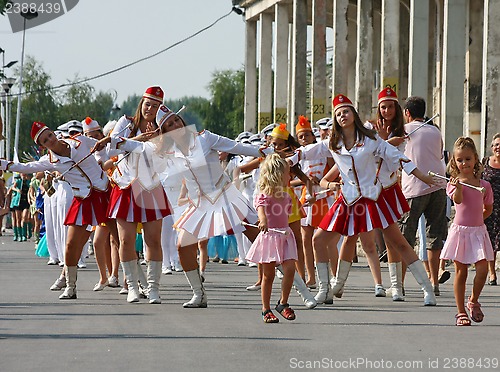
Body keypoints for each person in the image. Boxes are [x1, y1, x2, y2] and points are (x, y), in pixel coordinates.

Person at [95, 104, 275, 308]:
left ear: (182, 122)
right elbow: (133, 146)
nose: (174, 125)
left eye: (176, 121)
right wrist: (109, 139)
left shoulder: (204, 137)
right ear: (164, 132)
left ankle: (297, 285)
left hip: (224, 197)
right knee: (183, 246)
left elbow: (236, 146)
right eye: (168, 125)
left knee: (263, 239)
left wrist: (268, 150)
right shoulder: (164, 150)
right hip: (199, 205)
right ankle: (199, 294)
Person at [288, 94, 437, 306]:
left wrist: (423, 176)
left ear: (354, 114)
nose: (342, 116)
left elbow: (398, 157)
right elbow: (305, 152)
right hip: (347, 200)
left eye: (346, 111)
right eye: (338, 114)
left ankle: (427, 289)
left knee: (399, 243)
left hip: (372, 198)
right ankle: (325, 290)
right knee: (318, 240)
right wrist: (289, 159)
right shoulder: (333, 143)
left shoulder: (371, 139)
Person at [0, 121, 111, 299]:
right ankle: (71, 286)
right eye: (45, 140)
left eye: (49, 135)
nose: (50, 140)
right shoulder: (49, 161)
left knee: (120, 238)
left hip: (105, 194)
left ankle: (137, 284)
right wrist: (3, 164)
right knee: (70, 245)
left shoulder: (80, 141)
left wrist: (101, 160)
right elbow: (25, 168)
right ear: (43, 146)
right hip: (83, 200)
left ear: (53, 132)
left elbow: (102, 146)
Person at [107, 86, 171, 304]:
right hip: (125, 187)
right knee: (126, 240)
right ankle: (132, 287)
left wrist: (160, 140)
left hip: (151, 187)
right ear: (141, 103)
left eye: (155, 105)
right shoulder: (126, 122)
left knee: (153, 240)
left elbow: (166, 159)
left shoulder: (163, 129)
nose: (150, 109)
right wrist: (141, 140)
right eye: (147, 104)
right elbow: (112, 146)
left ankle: (153, 288)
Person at [440, 137, 493, 326]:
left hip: (478, 231)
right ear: (454, 161)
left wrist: (479, 222)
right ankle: (460, 311)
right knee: (460, 271)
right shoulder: (453, 184)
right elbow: (459, 200)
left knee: (482, 269)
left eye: (468, 159)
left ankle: (473, 300)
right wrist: (459, 187)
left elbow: (488, 208)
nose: (464, 163)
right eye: (460, 160)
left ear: (475, 159)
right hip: (460, 232)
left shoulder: (484, 186)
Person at [400, 96, 448, 296]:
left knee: (404, 236)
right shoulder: (435, 130)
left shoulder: (405, 130)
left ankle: (399, 284)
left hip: (414, 188)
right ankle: (434, 281)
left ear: (407, 113)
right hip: (438, 186)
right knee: (434, 235)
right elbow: (439, 155)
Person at [246, 154, 298, 323]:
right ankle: (265, 308)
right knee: (268, 275)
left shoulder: (287, 196)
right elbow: (261, 211)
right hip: (270, 237)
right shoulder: (264, 196)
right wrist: (263, 221)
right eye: (286, 173)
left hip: (284, 236)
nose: (289, 177)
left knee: (290, 269)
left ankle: (283, 303)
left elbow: (287, 214)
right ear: (276, 175)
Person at [482, 133, 500, 286]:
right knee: (490, 241)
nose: (497, 147)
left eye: (499, 144)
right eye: (495, 144)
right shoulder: (485, 162)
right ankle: (492, 273)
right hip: (489, 207)